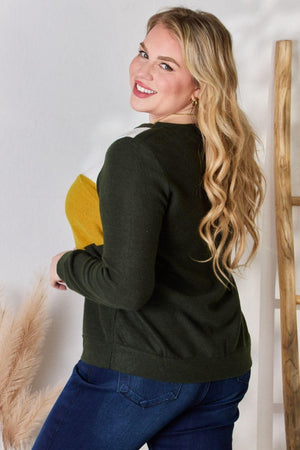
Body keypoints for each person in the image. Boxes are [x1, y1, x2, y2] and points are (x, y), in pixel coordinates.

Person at [32, 7, 264, 450]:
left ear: (199, 86)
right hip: (220, 367)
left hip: (140, 372)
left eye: (166, 65)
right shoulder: (222, 153)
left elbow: (126, 288)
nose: (142, 71)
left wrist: (66, 263)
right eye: (143, 53)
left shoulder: (135, 156)